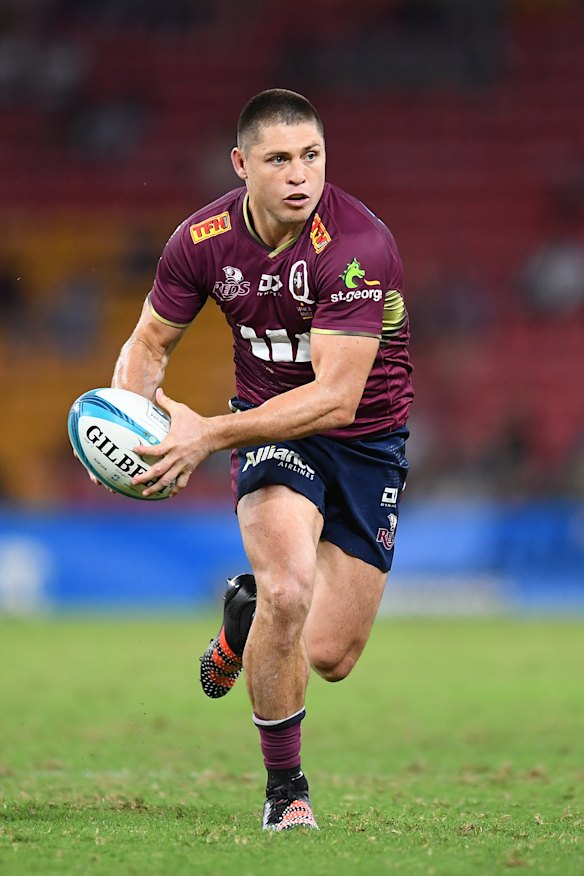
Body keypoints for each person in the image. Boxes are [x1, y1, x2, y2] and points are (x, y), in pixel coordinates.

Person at [110, 88, 413, 831]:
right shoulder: (201, 240)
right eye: (279, 159)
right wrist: (130, 427)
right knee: (287, 587)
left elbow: (336, 399)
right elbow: (149, 343)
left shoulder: (357, 246)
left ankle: (241, 625)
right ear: (241, 165)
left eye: (312, 155)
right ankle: (286, 793)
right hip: (270, 430)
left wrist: (205, 435)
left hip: (366, 442)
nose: (299, 174)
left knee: (331, 654)